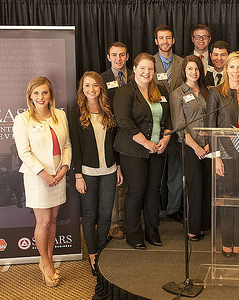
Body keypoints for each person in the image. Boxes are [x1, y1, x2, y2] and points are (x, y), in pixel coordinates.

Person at [13, 77, 71, 286]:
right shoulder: (23, 120)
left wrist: (64, 167)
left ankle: (49, 258)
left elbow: (67, 145)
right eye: (36, 93)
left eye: (44, 93)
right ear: (30, 95)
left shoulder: (60, 115)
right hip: (38, 177)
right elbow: (24, 153)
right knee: (44, 221)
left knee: (53, 220)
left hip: (58, 175)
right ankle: (46, 264)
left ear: (50, 95)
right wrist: (43, 174)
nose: (40, 97)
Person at [113, 53, 171, 249]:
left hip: (157, 150)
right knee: (137, 192)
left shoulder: (161, 90)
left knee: (154, 192)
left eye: (150, 69)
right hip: (133, 151)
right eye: (143, 68)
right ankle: (134, 234)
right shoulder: (125, 91)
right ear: (135, 69)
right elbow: (124, 122)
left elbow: (168, 119)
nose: (147, 72)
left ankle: (152, 233)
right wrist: (146, 142)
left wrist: (166, 138)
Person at [69, 71, 124, 275]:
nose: (91, 89)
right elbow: (74, 144)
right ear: (82, 89)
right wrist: (77, 175)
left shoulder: (108, 110)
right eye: (87, 86)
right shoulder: (76, 112)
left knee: (105, 214)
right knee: (90, 214)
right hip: (87, 172)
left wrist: (117, 166)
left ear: (101, 87)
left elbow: (114, 141)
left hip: (109, 170)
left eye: (95, 85)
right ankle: (92, 254)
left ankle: (101, 249)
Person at [206, 51, 239, 258]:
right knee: (226, 202)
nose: (236, 71)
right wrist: (216, 157)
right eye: (232, 67)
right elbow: (210, 126)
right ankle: (226, 243)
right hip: (224, 157)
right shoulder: (217, 92)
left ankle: (238, 243)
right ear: (225, 69)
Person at [170, 55, 211, 241]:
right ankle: (193, 228)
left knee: (207, 186)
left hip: (209, 146)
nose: (194, 72)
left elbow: (213, 119)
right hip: (189, 146)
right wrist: (195, 147)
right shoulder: (177, 94)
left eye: (196, 69)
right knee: (194, 187)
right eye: (190, 69)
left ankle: (204, 224)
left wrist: (210, 142)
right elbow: (179, 125)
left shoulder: (207, 91)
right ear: (184, 71)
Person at [100, 41, 133, 240]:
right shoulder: (102, 79)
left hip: (132, 134)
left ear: (127, 56)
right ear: (108, 57)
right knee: (114, 180)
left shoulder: (136, 75)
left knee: (129, 181)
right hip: (111, 134)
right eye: (114, 55)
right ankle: (113, 223)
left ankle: (126, 219)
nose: (118, 59)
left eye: (122, 55)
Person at [152, 24, 185, 223]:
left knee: (177, 171)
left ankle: (173, 209)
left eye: (168, 38)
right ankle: (153, 211)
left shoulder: (183, 63)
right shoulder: (148, 62)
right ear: (156, 41)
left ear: (173, 40)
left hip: (178, 126)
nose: (165, 41)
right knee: (155, 172)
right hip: (156, 127)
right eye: (161, 38)